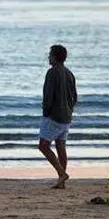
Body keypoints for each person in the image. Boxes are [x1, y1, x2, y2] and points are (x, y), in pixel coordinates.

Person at [38, 44, 77, 189]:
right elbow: (74, 96)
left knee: (43, 146)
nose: (48, 57)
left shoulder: (52, 72)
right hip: (67, 116)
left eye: (50, 54)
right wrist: (70, 110)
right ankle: (62, 182)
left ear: (55, 57)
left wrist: (46, 112)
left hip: (54, 116)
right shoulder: (69, 73)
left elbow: (48, 96)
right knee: (60, 146)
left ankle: (61, 173)